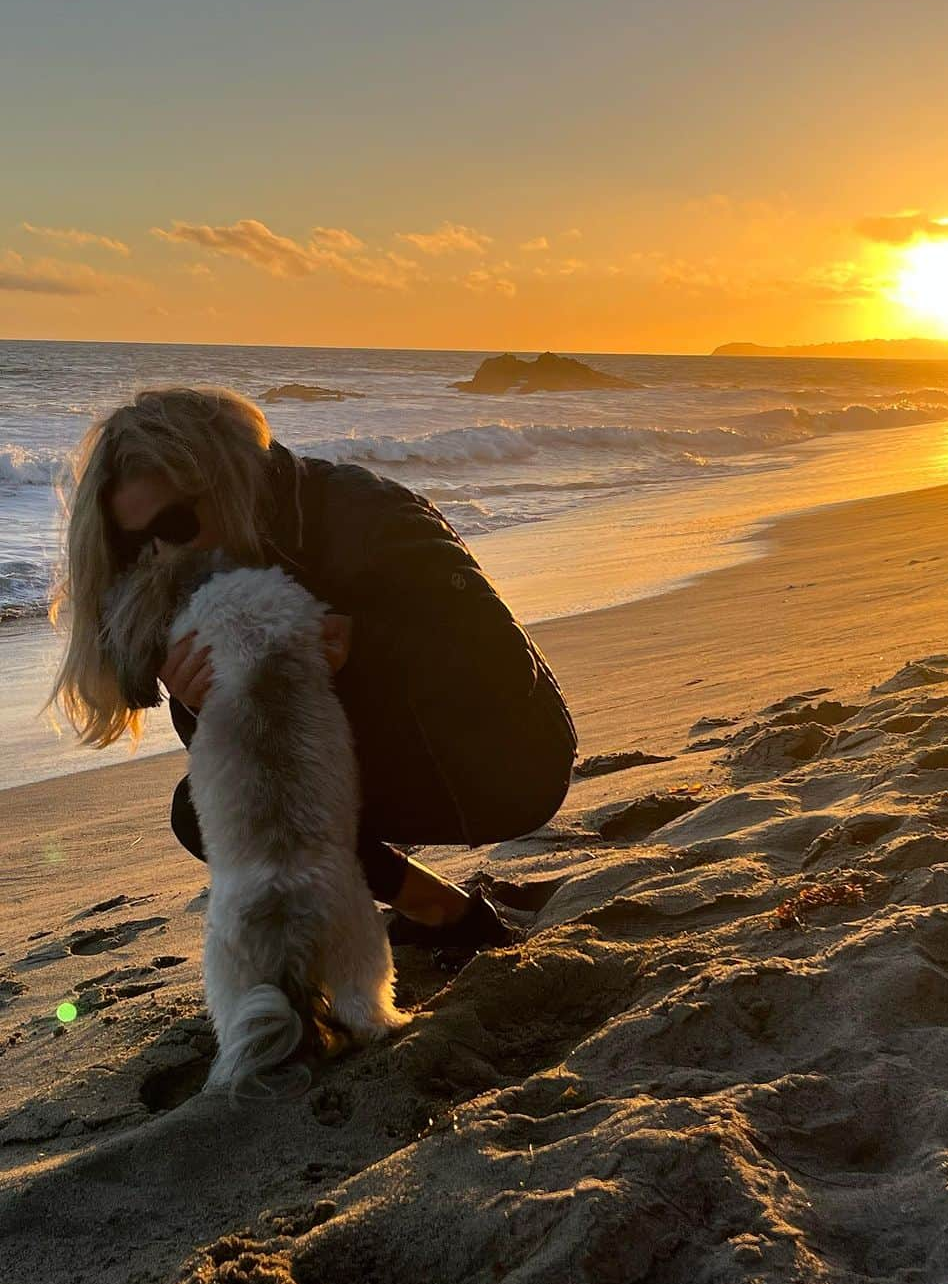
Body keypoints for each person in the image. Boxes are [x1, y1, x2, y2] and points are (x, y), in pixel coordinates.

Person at [45, 385, 578, 956]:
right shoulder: (192, 564)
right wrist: (199, 700)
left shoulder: (365, 516)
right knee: (206, 807)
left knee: (252, 799)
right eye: (135, 540)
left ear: (227, 481)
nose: (159, 553)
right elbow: (241, 753)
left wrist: (365, 642)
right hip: (376, 751)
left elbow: (502, 667)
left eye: (174, 525)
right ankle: (440, 908)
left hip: (506, 761)